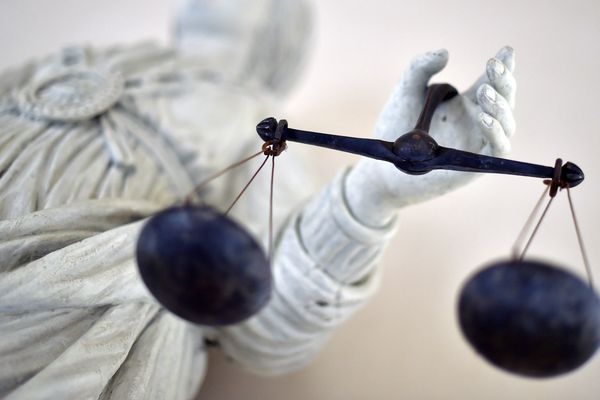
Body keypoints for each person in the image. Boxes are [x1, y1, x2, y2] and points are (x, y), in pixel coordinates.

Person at [0, 0, 516, 398]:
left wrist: (372, 193)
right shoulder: (105, 55)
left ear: (277, 34)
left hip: (84, 303)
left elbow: (268, 327)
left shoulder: (262, 122)